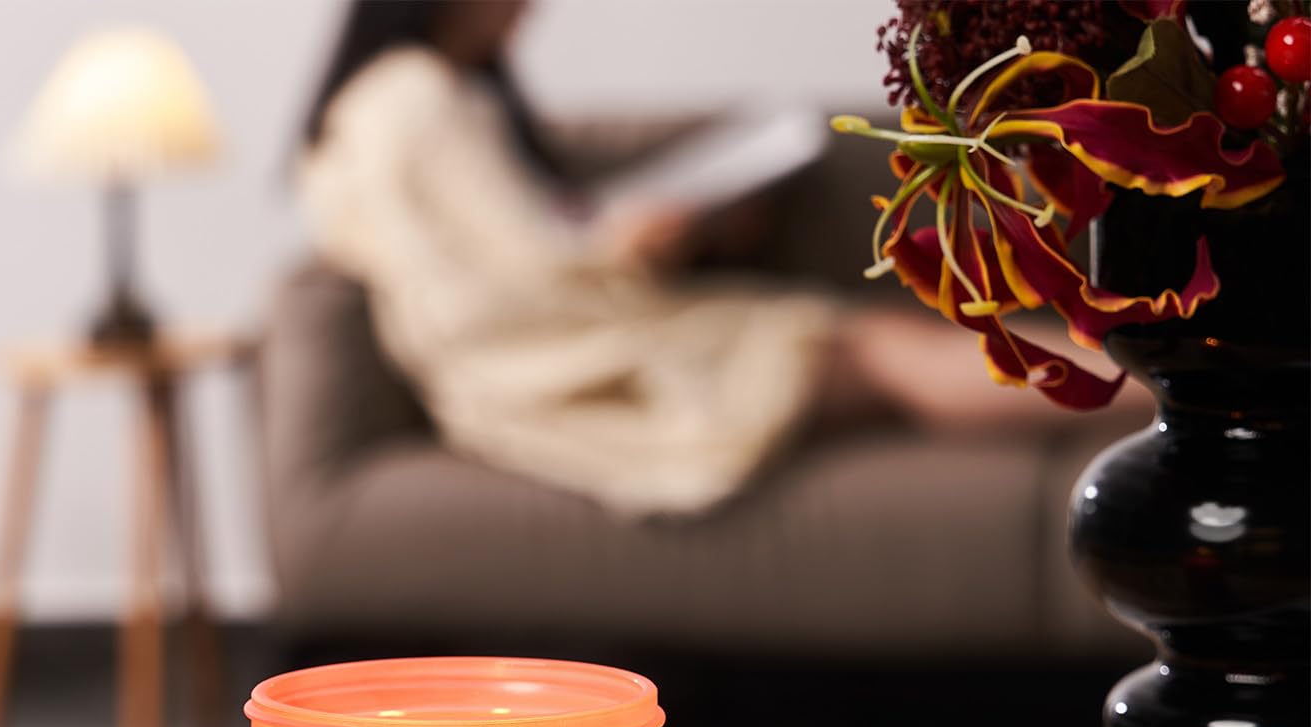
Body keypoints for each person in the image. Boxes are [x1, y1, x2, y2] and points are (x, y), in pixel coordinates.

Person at [296, 0, 1082, 517]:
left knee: (880, 342)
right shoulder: (415, 98)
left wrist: (658, 237)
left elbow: (516, 237)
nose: (530, 9)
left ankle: (1135, 385)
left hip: (588, 325)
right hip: (560, 359)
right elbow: (509, 274)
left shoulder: (434, 95)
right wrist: (627, 248)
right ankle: (1143, 390)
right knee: (884, 350)